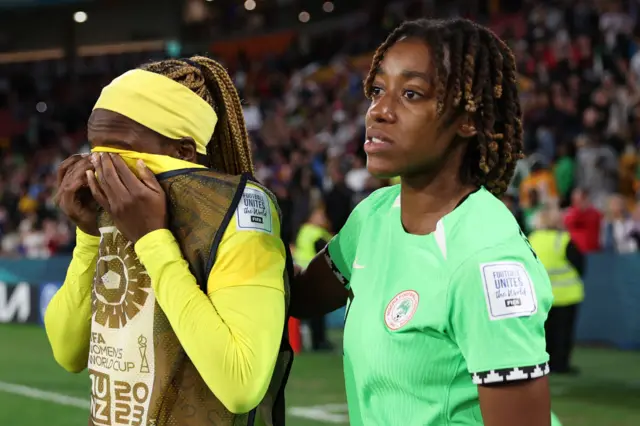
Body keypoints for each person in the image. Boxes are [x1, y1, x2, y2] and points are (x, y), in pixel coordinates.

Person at [290, 18, 555, 426]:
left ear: (468, 118)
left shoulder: (486, 260)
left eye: (411, 94)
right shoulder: (375, 214)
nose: (379, 111)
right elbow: (301, 296)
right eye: (377, 91)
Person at [45, 57, 291, 426]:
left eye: (123, 152)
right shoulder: (108, 210)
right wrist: (87, 239)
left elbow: (241, 383)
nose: (101, 169)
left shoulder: (238, 211)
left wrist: (153, 240)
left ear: (184, 153)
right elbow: (68, 352)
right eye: (94, 149)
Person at [529, 205, 585, 375]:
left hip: (539, 297)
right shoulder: (564, 240)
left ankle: (543, 364)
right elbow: (580, 266)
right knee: (563, 333)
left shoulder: (531, 239)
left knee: (544, 333)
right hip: (566, 296)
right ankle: (561, 365)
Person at [293, 204, 334, 351]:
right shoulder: (315, 232)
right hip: (315, 275)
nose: (323, 218)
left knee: (309, 313)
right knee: (318, 313)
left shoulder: (304, 230)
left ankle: (312, 342)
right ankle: (319, 342)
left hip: (303, 274)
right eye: (319, 215)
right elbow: (328, 251)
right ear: (312, 216)